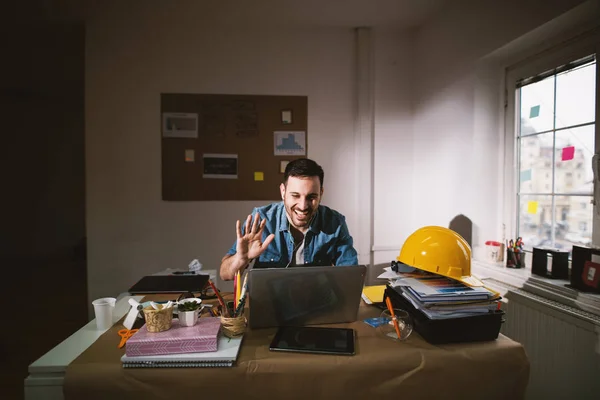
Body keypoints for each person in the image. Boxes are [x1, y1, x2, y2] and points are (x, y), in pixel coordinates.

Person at [220, 158, 358, 281]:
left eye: (311, 197)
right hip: (269, 303)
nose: (303, 206)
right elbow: (225, 275)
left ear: (321, 193)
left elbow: (351, 276)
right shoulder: (262, 219)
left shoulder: (335, 222)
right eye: (295, 195)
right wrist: (241, 259)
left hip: (318, 303)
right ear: (283, 192)